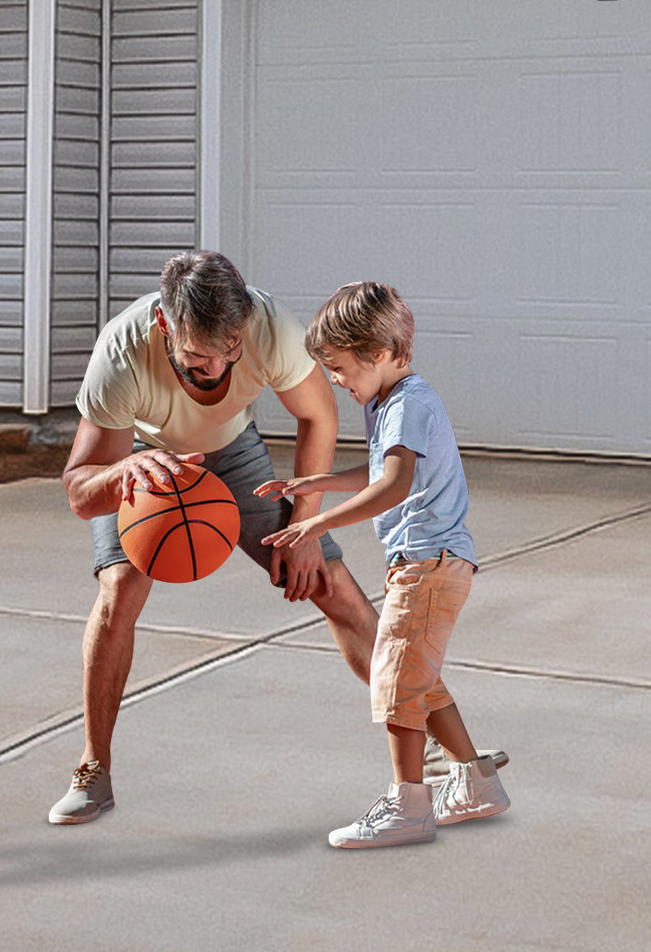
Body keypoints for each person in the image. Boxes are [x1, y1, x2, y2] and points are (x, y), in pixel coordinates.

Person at [48, 250, 383, 825]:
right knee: (119, 593)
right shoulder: (122, 352)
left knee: (331, 582)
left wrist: (304, 525)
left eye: (231, 350)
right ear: (165, 327)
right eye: (201, 357)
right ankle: (93, 768)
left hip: (231, 450)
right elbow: (80, 493)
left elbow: (319, 418)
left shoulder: (270, 328)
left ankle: (436, 735)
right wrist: (121, 473)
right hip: (140, 460)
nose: (221, 368)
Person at [261, 280, 509, 849]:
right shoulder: (393, 402)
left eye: (341, 369)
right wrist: (313, 483)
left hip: (427, 562)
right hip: (430, 562)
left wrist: (319, 521)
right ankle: (475, 782)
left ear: (377, 354)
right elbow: (380, 473)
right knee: (417, 680)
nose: (338, 382)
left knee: (395, 682)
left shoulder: (407, 405)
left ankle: (409, 807)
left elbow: (394, 487)